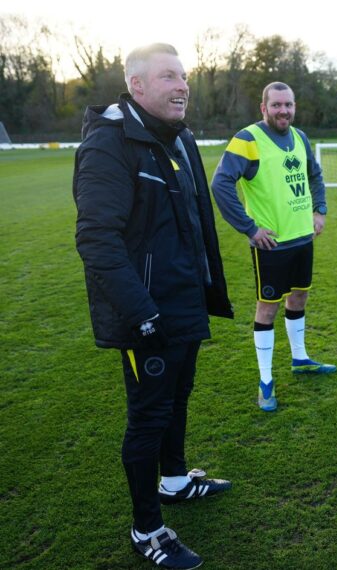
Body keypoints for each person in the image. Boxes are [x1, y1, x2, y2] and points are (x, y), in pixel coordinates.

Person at [73, 43, 234, 569]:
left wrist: (206, 289)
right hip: (146, 313)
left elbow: (193, 224)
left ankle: (174, 481)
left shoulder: (180, 138)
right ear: (137, 85)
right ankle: (148, 530)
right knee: (147, 417)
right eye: (169, 76)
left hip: (184, 301)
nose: (182, 84)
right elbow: (98, 240)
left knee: (178, 397)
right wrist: (142, 313)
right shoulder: (109, 142)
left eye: (184, 75)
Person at [212, 82, 336, 413]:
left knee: (299, 296)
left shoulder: (300, 137)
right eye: (277, 105)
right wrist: (249, 228)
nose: (284, 111)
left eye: (289, 105)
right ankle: (265, 381)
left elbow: (315, 175)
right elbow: (221, 183)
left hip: (303, 238)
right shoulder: (248, 140)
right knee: (268, 306)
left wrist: (319, 210)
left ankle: (300, 359)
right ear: (263, 107)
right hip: (272, 244)